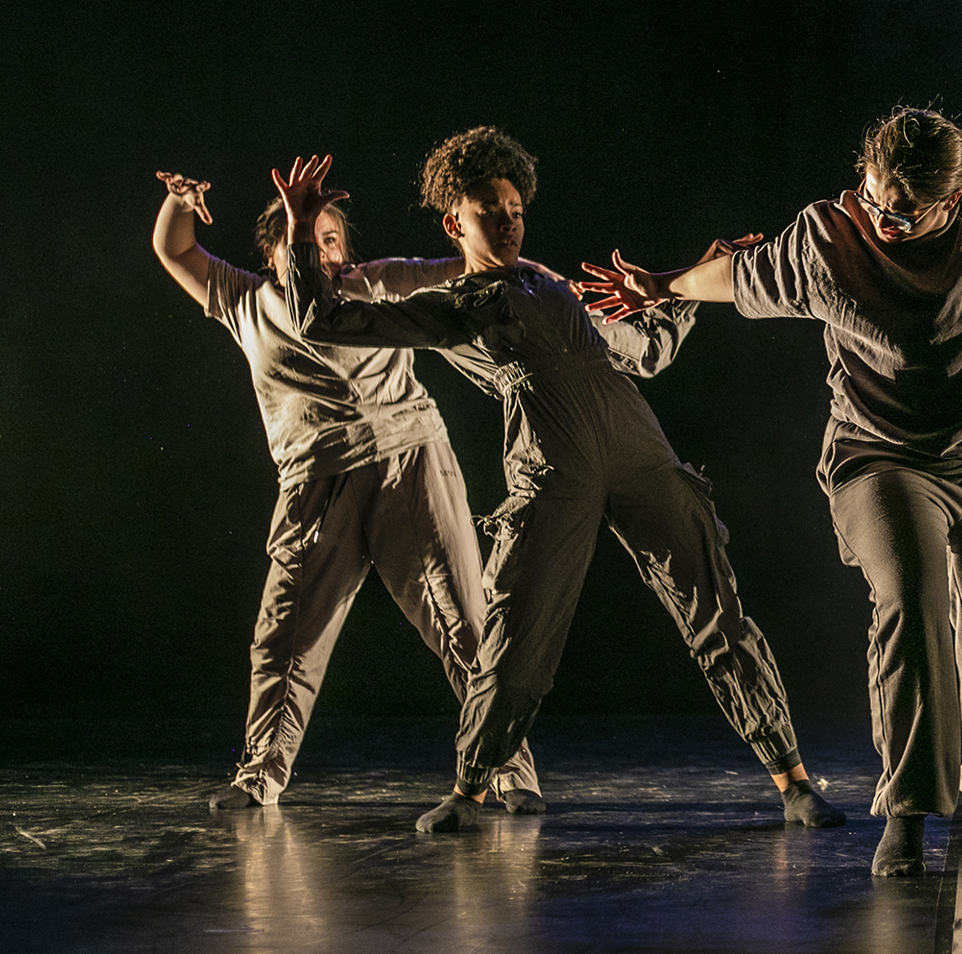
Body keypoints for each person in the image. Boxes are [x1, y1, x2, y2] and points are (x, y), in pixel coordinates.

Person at [578, 76, 962, 876]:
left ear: (961, 194)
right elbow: (738, 276)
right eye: (872, 199)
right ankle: (907, 809)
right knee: (911, 601)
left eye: (903, 213)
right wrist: (664, 285)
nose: (881, 221)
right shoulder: (828, 239)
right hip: (880, 455)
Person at [273, 133, 844, 835]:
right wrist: (302, 235)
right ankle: (471, 787)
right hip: (552, 468)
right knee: (516, 636)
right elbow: (323, 319)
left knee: (717, 615)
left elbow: (650, 349)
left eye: (515, 206)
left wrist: (695, 281)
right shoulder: (456, 303)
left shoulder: (556, 289)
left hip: (640, 453)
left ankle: (793, 780)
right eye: (490, 209)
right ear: (456, 223)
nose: (509, 219)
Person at [150, 166, 541, 813]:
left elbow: (463, 270)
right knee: (285, 636)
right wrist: (178, 200)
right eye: (307, 237)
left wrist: (510, 251)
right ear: (276, 252)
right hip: (312, 483)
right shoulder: (246, 302)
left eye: (333, 238)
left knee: (465, 621)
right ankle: (260, 774)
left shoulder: (375, 284)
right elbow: (175, 248)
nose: (324, 249)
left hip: (409, 463)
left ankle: (506, 767)